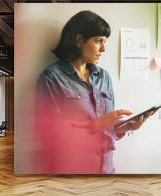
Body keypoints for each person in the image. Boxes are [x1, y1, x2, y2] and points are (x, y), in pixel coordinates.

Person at [36, 10, 154, 174]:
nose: (104, 49)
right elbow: (50, 136)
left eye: (105, 42)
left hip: (106, 169)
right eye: (99, 41)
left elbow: (107, 128)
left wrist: (126, 127)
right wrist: (96, 124)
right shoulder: (51, 78)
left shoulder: (104, 77)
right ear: (79, 40)